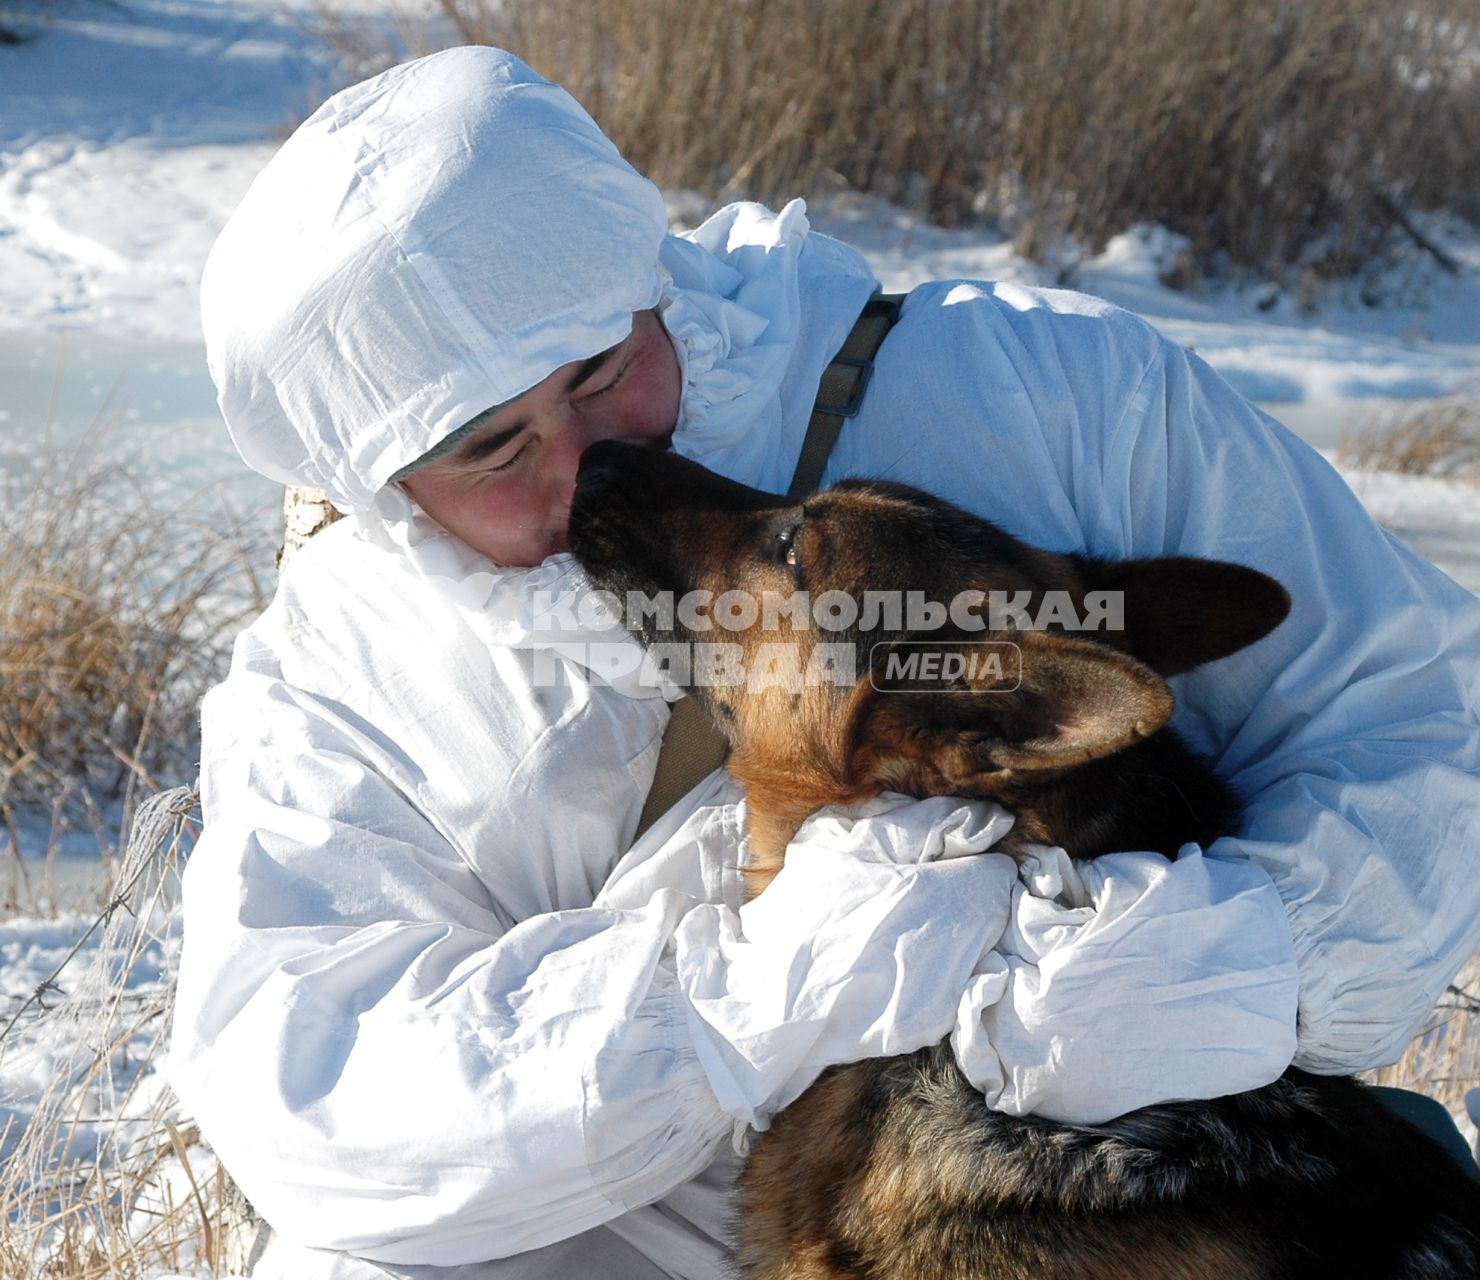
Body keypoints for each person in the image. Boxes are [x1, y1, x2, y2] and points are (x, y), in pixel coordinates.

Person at [169, 46, 1480, 1280]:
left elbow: (1416, 722)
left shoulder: (1045, 392)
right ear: (379, 485)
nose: (590, 462)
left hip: (1098, 1192)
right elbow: (305, 1084)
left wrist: (1234, 962)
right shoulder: (339, 681)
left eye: (603, 368)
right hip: (635, 1233)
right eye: (495, 451)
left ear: (650, 277)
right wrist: (736, 1002)